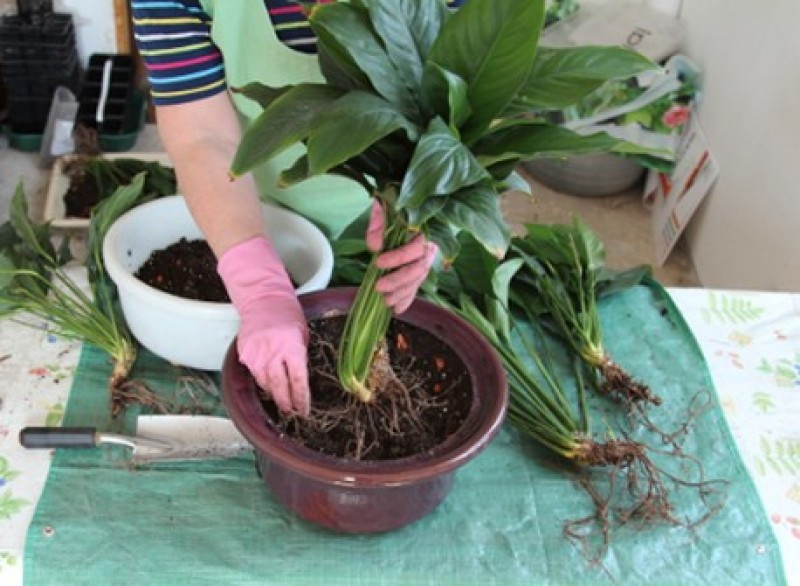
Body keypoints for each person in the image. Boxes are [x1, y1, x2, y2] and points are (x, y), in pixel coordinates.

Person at [129, 0, 463, 416]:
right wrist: (258, 284)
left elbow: (468, 89)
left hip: (382, 217)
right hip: (248, 211)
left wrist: (426, 205)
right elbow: (202, 134)